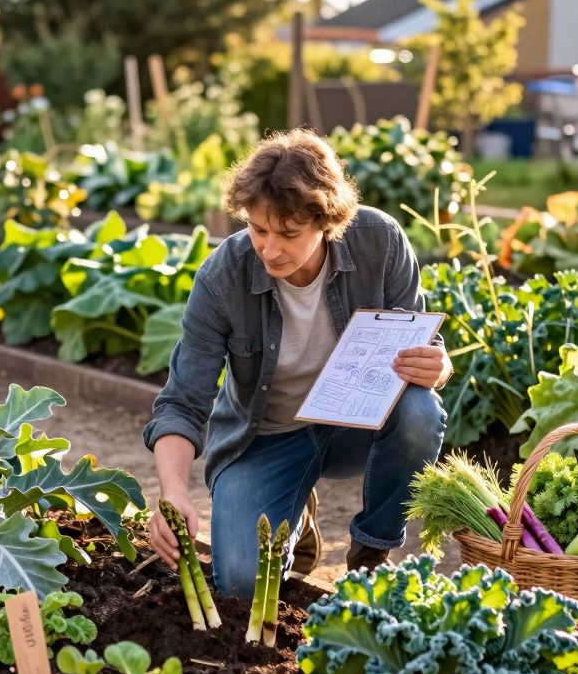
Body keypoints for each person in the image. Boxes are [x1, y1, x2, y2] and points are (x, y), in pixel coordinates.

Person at [142, 129, 451, 598]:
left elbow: (424, 355)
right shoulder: (223, 277)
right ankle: (296, 516)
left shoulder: (380, 243)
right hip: (266, 438)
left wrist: (438, 367)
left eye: (288, 233)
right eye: (258, 229)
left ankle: (370, 555)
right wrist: (173, 493)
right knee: (243, 586)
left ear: (327, 221)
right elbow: (182, 403)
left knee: (419, 412)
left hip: (355, 426)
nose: (269, 249)